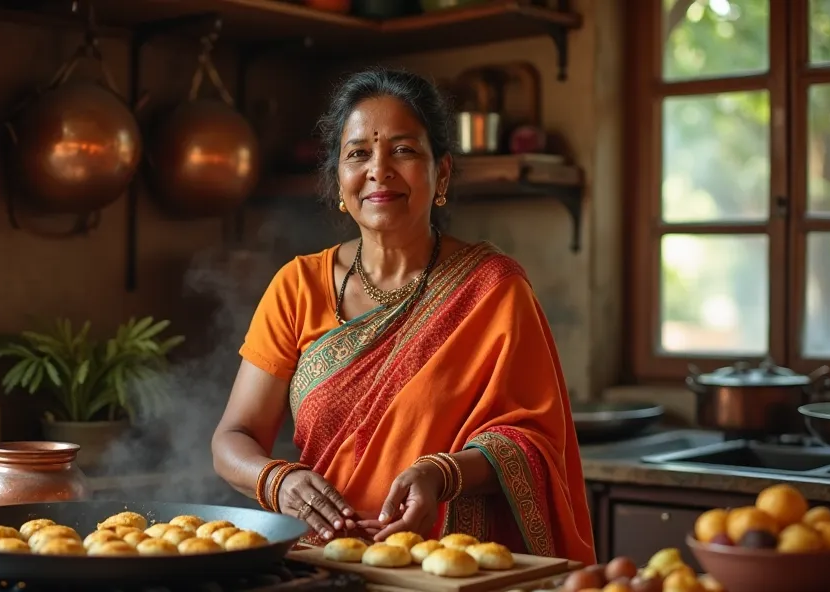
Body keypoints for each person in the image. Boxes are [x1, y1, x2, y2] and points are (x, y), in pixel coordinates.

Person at [211, 67, 595, 564]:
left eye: (404, 150)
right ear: (338, 179)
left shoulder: (494, 288)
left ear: (444, 172)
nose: (379, 169)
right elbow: (232, 438)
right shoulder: (298, 286)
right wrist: (278, 481)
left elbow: (534, 441)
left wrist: (441, 473)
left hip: (448, 566)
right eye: (358, 153)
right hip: (324, 565)